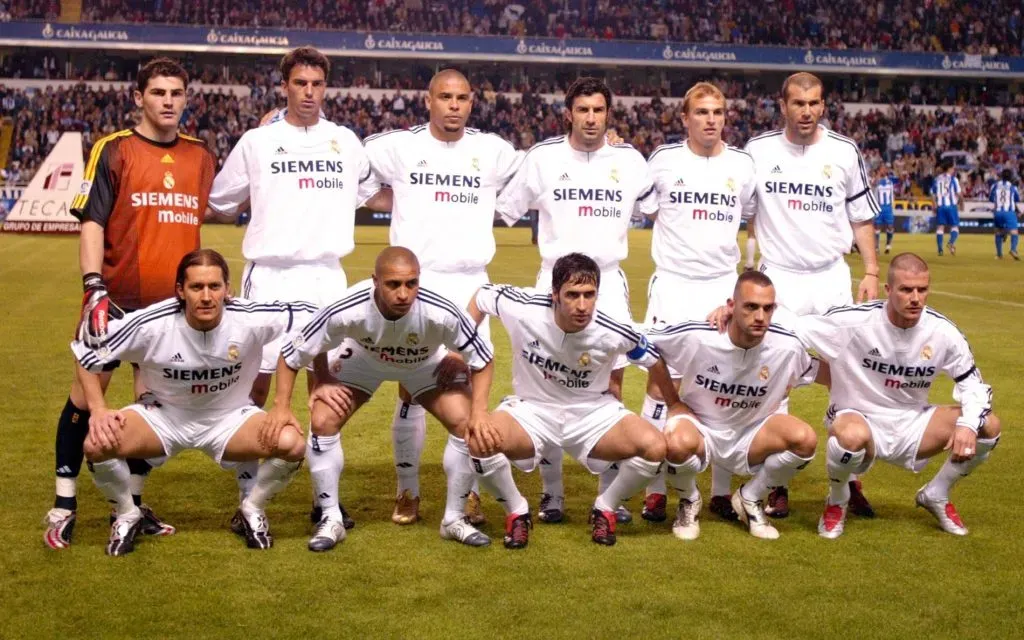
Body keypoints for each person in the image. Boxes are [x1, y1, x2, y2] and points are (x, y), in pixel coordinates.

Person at [207, 46, 388, 528]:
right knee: (256, 387)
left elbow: (378, 194)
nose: (309, 92)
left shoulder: (346, 141)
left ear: (326, 88)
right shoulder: (257, 142)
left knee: (327, 386)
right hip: (269, 275)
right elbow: (221, 202)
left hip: (327, 276)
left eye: (317, 84)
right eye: (300, 83)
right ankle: (248, 501)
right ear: (284, 85)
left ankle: (325, 501)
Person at [44, 57, 217, 550]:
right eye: (158, 92)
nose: (168, 101)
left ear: (186, 98)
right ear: (138, 97)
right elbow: (92, 221)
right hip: (115, 301)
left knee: (154, 406)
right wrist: (94, 283)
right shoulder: (114, 149)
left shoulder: (200, 156)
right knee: (84, 398)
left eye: (176, 92)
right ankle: (64, 502)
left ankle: (135, 505)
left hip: (170, 310)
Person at [495, 77, 658, 525]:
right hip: (555, 281)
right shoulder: (543, 158)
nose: (591, 118)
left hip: (607, 282)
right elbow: (503, 208)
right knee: (547, 386)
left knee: (612, 386)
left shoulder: (629, 160)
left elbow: (658, 209)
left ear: (610, 115)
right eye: (583, 110)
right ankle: (552, 495)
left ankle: (609, 492)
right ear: (568, 112)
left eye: (599, 110)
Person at [362, 69, 522, 526]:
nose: (454, 105)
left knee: (470, 394)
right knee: (410, 390)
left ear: (472, 103)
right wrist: (392, 201)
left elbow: (541, 170)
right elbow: (349, 168)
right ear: (427, 99)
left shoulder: (493, 150)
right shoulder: (398, 146)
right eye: (445, 97)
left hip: (472, 283)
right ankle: (407, 491)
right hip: (417, 284)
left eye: (462, 98)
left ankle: (467, 493)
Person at [72, 249, 311, 555]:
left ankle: (251, 509)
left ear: (228, 289)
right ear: (180, 291)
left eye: (214, 286)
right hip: (163, 418)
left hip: (231, 418)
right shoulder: (151, 324)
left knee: (291, 443)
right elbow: (85, 350)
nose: (207, 296)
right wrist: (98, 409)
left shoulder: (251, 318)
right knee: (96, 444)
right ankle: (127, 513)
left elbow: (312, 316)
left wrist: (282, 404)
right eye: (196, 287)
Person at [265, 247, 499, 551]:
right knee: (322, 419)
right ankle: (330, 518)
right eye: (393, 285)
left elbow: (484, 359)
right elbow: (295, 351)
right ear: (375, 280)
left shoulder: (440, 310)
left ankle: (454, 520)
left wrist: (480, 411)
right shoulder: (348, 306)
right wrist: (308, 388)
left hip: (423, 364)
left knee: (467, 423)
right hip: (363, 361)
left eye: (411, 283)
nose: (403, 293)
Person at [464, 253, 683, 548]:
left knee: (655, 447)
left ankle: (605, 508)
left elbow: (653, 361)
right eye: (572, 295)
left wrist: (675, 405)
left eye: (589, 295)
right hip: (532, 410)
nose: (582, 306)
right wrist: (460, 349)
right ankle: (516, 512)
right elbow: (481, 297)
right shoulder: (523, 307)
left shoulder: (613, 328)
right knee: (479, 441)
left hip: (592, 414)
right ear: (554, 294)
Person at [739, 71, 881, 518]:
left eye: (814, 103)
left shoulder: (843, 151)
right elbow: (738, 213)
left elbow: (861, 217)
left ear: (824, 105)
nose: (806, 111)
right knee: (774, 379)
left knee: (847, 376)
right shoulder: (758, 152)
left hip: (830, 278)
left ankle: (849, 475)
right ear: (782, 105)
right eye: (798, 103)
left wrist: (872, 269)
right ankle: (778, 478)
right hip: (778, 280)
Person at [791, 254, 1001, 538]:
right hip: (860, 420)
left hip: (913, 425)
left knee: (987, 426)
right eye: (906, 290)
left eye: (922, 289)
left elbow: (973, 385)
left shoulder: (943, 332)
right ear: (888, 290)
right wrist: (733, 314)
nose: (915, 298)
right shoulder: (853, 322)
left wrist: (967, 424)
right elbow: (789, 328)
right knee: (849, 435)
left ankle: (936, 493)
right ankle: (838, 500)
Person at [638, 81, 758, 524]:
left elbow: (748, 214)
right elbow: (644, 206)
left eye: (719, 112)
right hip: (672, 285)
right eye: (702, 112)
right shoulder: (664, 161)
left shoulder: (742, 165)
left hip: (720, 287)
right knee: (658, 382)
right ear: (685, 118)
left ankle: (721, 492)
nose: (712, 119)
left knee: (723, 384)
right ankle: (653, 488)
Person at [650, 271, 820, 540]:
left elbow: (816, 371)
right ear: (731, 306)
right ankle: (689, 500)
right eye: (751, 307)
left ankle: (750, 498)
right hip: (701, 429)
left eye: (767, 308)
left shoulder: (787, 346)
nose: (760, 317)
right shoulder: (700, 335)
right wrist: (673, 402)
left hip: (751, 434)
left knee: (805, 440)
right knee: (674, 442)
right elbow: (645, 344)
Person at [930, 161, 961, 257]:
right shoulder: (953, 179)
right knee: (955, 226)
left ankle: (940, 249)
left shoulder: (937, 179)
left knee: (940, 227)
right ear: (949, 169)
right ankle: (951, 242)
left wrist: (934, 205)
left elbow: (932, 193)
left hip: (940, 206)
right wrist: (960, 202)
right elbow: (959, 193)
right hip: (951, 205)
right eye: (953, 168)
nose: (953, 170)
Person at [989, 169, 1021, 260]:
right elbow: (1017, 199)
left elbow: (991, 199)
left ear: (1001, 176)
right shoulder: (1013, 187)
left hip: (998, 212)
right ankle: (1013, 249)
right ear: (1011, 177)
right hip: (1009, 212)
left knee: (998, 232)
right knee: (1014, 231)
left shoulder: (995, 185)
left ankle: (999, 254)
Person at [874, 165, 898, 255]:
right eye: (882, 169)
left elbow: (898, 179)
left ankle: (888, 245)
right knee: (877, 227)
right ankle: (876, 247)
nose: (884, 170)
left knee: (890, 226)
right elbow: (873, 183)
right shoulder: (876, 181)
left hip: (888, 207)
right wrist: (879, 173)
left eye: (885, 169)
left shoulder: (890, 181)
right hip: (878, 207)